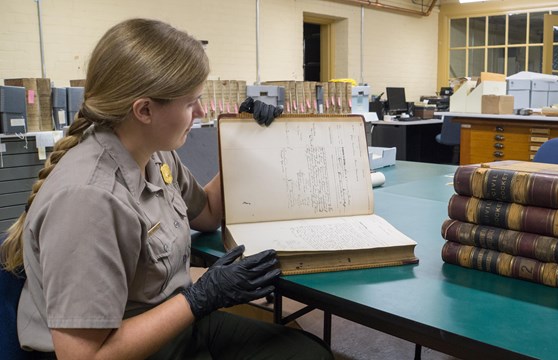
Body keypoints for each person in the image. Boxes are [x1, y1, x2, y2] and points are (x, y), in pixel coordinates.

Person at [0, 18, 333, 360]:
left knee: (308, 353)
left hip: (172, 322)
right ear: (144, 110)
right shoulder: (89, 200)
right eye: (191, 103)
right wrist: (200, 298)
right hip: (134, 344)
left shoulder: (156, 155)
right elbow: (84, 357)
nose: (201, 112)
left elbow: (208, 214)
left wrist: (245, 137)